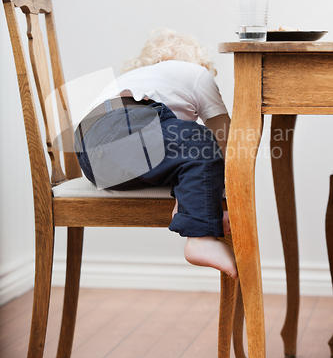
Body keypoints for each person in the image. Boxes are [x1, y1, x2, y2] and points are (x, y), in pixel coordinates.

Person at [75, 29, 237, 279]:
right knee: (202, 140)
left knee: (187, 146)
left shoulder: (133, 81)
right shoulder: (195, 74)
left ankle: (194, 216)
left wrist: (193, 200)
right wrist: (224, 196)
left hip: (93, 159)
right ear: (196, 62)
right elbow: (228, 142)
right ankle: (200, 239)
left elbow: (171, 157)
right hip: (122, 122)